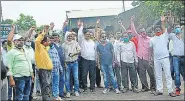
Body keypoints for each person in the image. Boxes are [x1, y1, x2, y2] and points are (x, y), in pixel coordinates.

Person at [150, 16, 176, 97]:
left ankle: (170, 91)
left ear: (161, 30)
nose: (158, 31)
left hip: (165, 58)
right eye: (156, 30)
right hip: (156, 59)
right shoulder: (152, 39)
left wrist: (167, 22)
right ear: (154, 31)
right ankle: (160, 90)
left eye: (159, 29)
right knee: (158, 75)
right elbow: (151, 50)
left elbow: (170, 28)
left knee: (168, 75)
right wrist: (150, 59)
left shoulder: (164, 36)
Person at [130, 16, 156, 93]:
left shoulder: (150, 39)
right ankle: (145, 87)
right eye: (141, 32)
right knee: (142, 74)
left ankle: (153, 87)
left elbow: (152, 50)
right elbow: (133, 31)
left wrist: (152, 59)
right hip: (140, 59)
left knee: (151, 74)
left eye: (144, 32)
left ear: (146, 32)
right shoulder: (139, 37)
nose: (143, 33)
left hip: (148, 59)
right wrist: (132, 21)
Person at [7, 34, 34, 100]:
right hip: (18, 77)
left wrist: (32, 73)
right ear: (14, 41)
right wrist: (11, 79)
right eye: (19, 40)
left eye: (22, 40)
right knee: (19, 97)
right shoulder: (11, 52)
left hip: (28, 76)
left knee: (26, 95)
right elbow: (8, 66)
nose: (21, 41)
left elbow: (29, 63)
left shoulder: (25, 51)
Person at [35, 25, 53, 100]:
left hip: (48, 70)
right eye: (47, 41)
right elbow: (37, 41)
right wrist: (42, 33)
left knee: (48, 86)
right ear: (44, 42)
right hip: (43, 70)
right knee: (45, 86)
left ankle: (47, 99)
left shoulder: (46, 47)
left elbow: (49, 43)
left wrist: (47, 30)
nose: (49, 42)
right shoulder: (39, 47)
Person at [78, 21, 96, 93]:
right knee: (84, 74)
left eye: (89, 34)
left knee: (92, 75)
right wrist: (81, 26)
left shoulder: (92, 41)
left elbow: (95, 51)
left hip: (92, 60)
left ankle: (92, 88)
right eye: (86, 34)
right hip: (84, 60)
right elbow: (79, 34)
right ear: (84, 35)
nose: (88, 35)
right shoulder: (82, 41)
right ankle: (85, 88)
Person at [62, 31, 81, 97]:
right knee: (67, 78)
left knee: (76, 78)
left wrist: (74, 54)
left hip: (75, 63)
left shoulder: (75, 43)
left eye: (70, 36)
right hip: (67, 63)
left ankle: (76, 90)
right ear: (66, 37)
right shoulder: (63, 45)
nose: (70, 37)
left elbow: (79, 50)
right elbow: (63, 55)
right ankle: (68, 91)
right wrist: (64, 63)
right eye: (68, 36)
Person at [168, 24, 184, 96]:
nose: (177, 29)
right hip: (175, 58)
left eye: (178, 28)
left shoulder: (183, 37)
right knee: (177, 73)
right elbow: (168, 31)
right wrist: (169, 24)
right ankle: (177, 89)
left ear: (181, 29)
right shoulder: (173, 36)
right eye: (176, 28)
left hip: (183, 58)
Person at [47, 36, 63, 100]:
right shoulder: (46, 48)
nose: (51, 41)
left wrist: (60, 68)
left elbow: (58, 59)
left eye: (52, 40)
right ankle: (49, 97)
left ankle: (56, 96)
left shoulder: (55, 48)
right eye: (49, 40)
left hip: (56, 70)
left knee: (56, 84)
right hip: (49, 70)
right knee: (48, 84)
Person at [52, 33, 65, 98]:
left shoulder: (61, 45)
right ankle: (55, 94)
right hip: (55, 66)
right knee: (56, 81)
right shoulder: (52, 46)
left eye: (57, 37)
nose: (56, 39)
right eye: (54, 37)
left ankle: (61, 93)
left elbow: (63, 55)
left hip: (62, 64)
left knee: (62, 79)